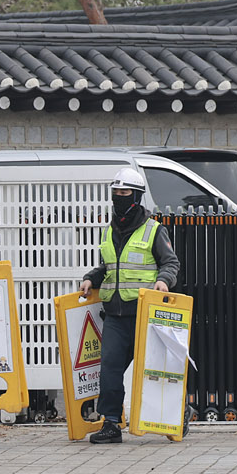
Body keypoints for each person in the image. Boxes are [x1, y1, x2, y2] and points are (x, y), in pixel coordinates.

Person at [79, 169, 179, 445]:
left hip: (144, 313)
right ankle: (111, 423)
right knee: (109, 367)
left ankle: (178, 413)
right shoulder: (110, 230)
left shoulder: (154, 230)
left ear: (136, 197)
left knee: (157, 370)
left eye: (124, 194)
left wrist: (163, 281)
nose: (119, 198)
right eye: (116, 193)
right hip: (115, 314)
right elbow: (110, 267)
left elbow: (171, 263)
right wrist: (91, 278)